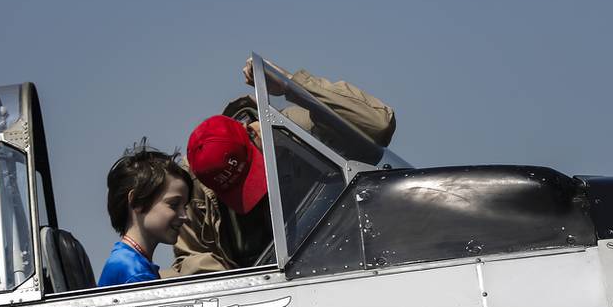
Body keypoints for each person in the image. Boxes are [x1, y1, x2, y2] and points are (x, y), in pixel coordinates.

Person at [164, 59, 396, 277]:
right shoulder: (192, 186)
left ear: (253, 133)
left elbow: (379, 124)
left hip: (347, 261)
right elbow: (190, 258)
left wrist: (291, 85)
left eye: (249, 177)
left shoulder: (297, 132)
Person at [97, 146, 194, 287]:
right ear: (137, 200)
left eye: (184, 207)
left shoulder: (127, 260)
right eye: (173, 204)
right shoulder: (135, 274)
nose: (184, 216)